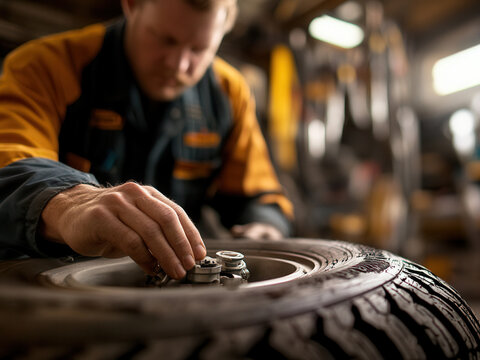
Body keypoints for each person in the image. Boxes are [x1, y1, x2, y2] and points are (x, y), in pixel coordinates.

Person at [0, 0, 293, 280]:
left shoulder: (229, 93)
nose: (178, 65)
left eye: (199, 49)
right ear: (131, 4)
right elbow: (11, 165)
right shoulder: (43, 66)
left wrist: (264, 226)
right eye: (165, 39)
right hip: (62, 295)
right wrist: (70, 205)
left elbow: (259, 194)